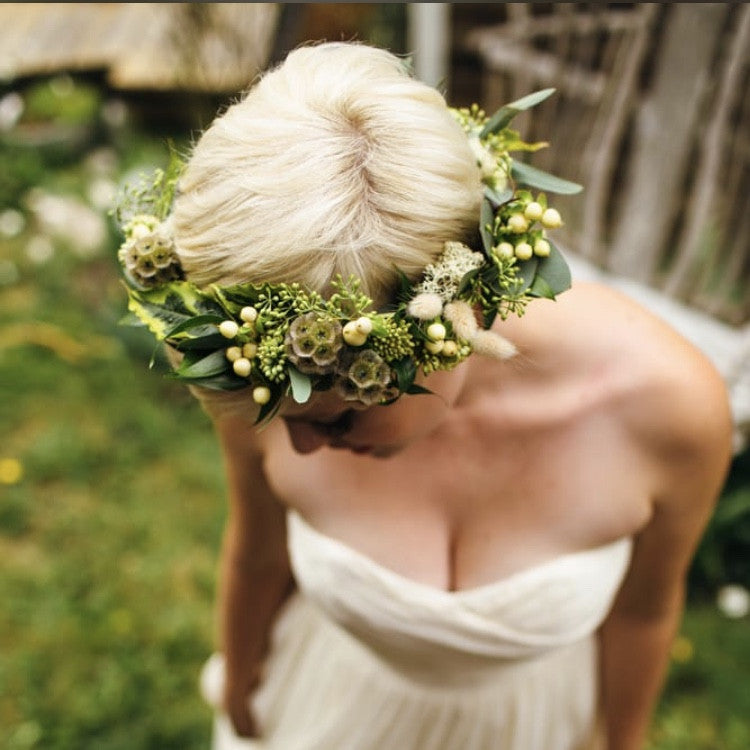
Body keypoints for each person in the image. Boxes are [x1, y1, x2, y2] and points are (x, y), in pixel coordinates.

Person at [118, 42, 733, 750]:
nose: (301, 446)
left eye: (339, 418)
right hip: (329, 708)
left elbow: (644, 613)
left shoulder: (670, 411)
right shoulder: (263, 372)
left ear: (460, 319)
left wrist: (621, 741)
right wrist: (240, 679)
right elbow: (259, 551)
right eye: (280, 417)